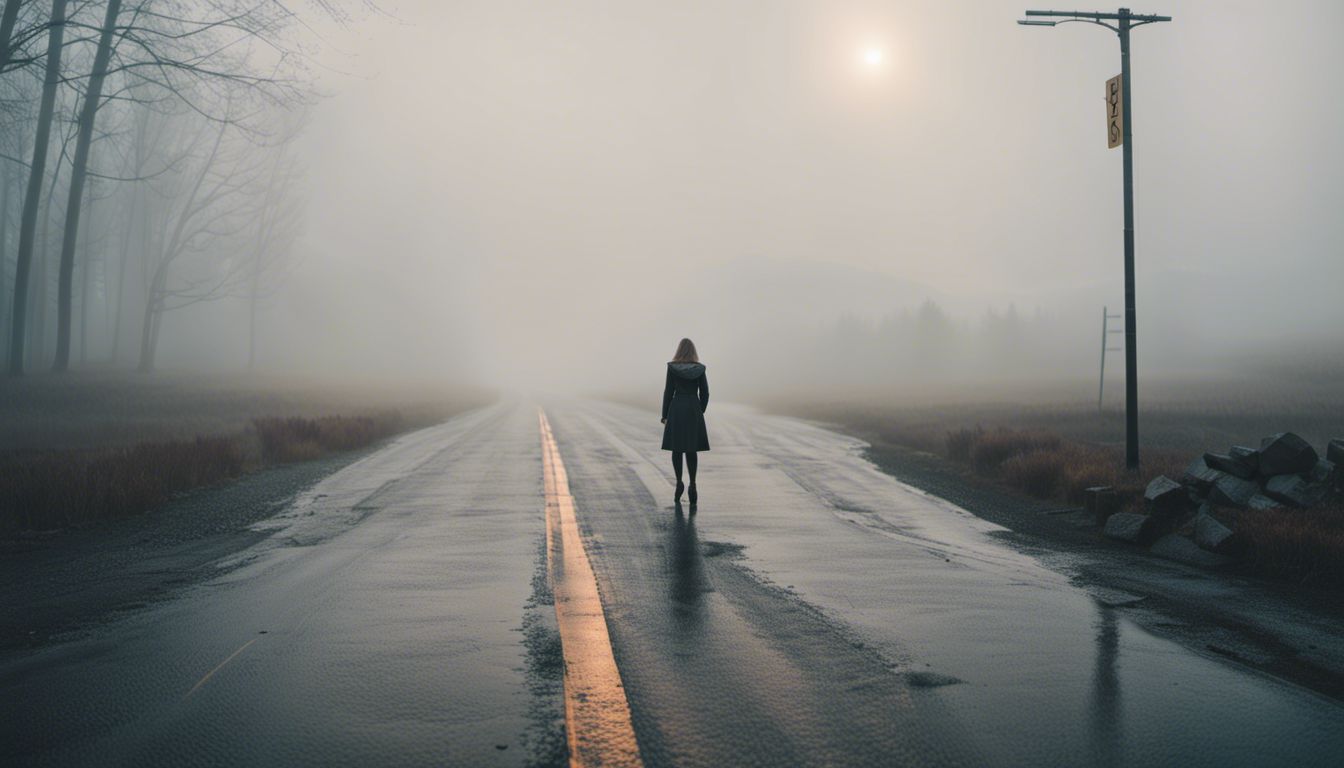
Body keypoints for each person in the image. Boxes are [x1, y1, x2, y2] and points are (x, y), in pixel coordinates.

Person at [661, 337, 710, 506]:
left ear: (679, 350)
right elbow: (705, 393)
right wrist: (699, 410)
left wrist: (665, 415)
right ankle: (693, 484)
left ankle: (679, 482)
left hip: (676, 408)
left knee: (677, 448)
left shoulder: (672, 368)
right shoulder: (700, 369)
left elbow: (668, 392)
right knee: (691, 449)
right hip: (692, 408)